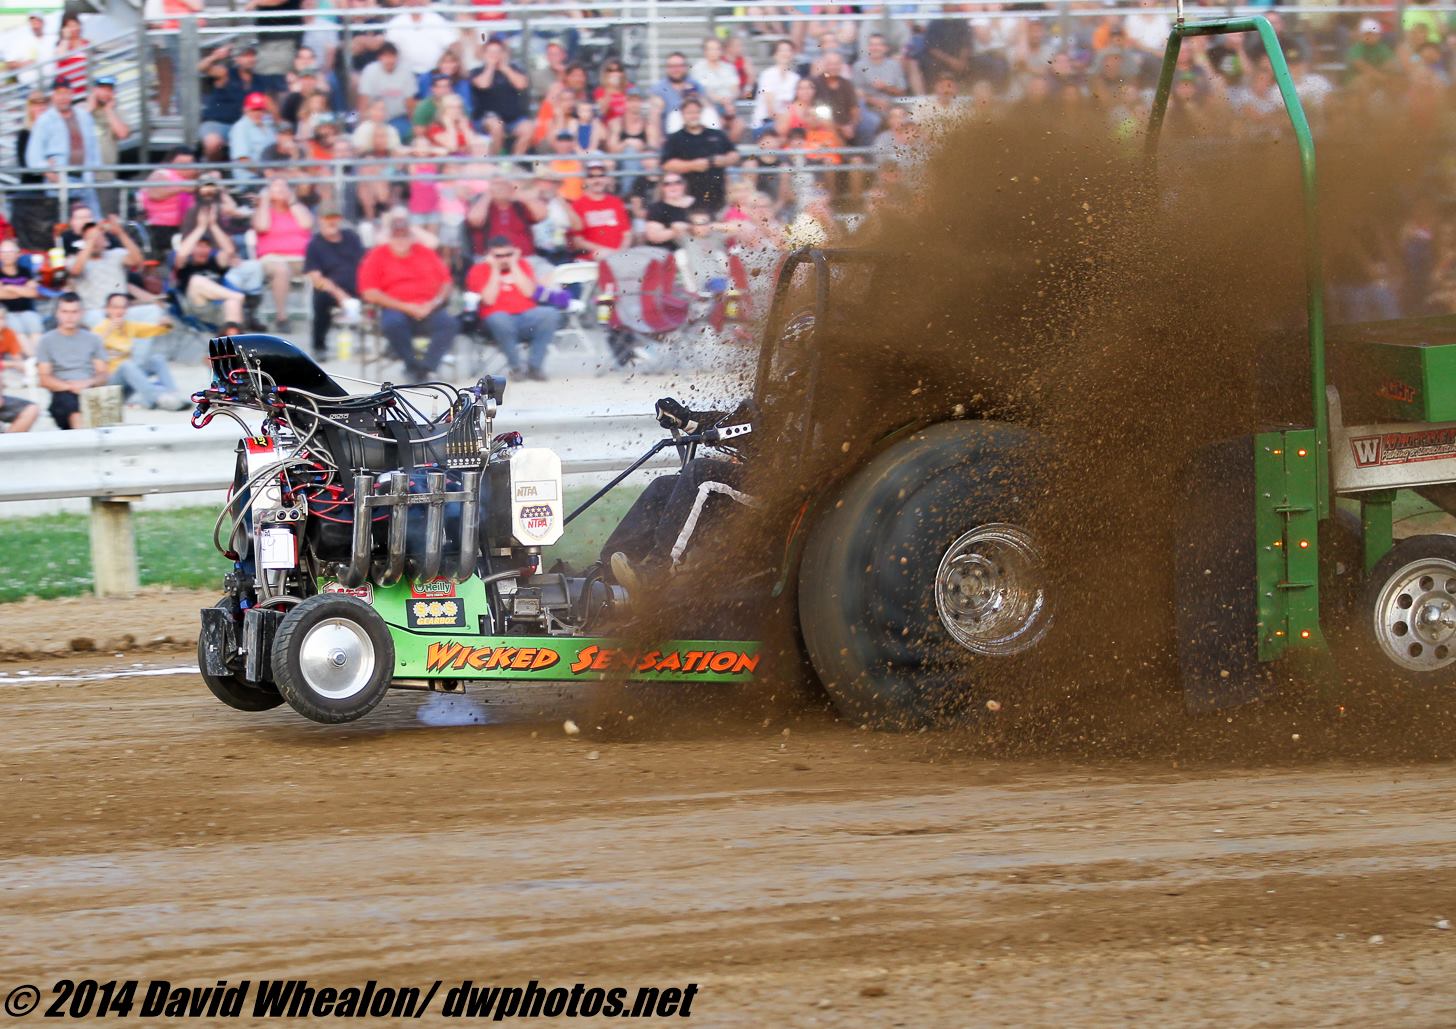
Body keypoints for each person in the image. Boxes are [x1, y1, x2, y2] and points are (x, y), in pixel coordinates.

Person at [602, 396, 755, 591]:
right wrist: (686, 419)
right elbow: (740, 426)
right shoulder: (783, 399)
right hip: (751, 481)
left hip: (774, 491)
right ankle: (607, 575)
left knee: (699, 472)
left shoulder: (799, 408)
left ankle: (658, 570)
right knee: (663, 487)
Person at [356, 210, 457, 378]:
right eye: (396, 236)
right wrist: (406, 307)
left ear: (411, 237)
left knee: (449, 323)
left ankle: (426, 368)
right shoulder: (376, 256)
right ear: (390, 238)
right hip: (396, 308)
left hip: (428, 307)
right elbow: (369, 292)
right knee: (392, 324)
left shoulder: (425, 252)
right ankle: (411, 365)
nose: (401, 240)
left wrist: (433, 303)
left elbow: (446, 282)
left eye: (404, 236)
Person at [465, 236, 565, 380]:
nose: (504, 259)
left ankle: (534, 367)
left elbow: (530, 293)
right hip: (496, 320)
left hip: (526, 317)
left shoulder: (522, 265)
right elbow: (488, 299)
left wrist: (514, 266)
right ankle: (516, 367)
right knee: (499, 319)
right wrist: (494, 269)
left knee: (549, 314)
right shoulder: (479, 270)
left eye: (508, 254)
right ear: (489, 255)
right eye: (498, 256)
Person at [96, 292, 188, 411]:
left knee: (157, 359)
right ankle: (158, 398)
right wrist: (108, 331)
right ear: (107, 309)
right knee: (126, 365)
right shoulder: (99, 329)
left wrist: (166, 324)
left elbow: (157, 330)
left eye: (123, 307)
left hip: (129, 382)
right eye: (115, 307)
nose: (119, 311)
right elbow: (91, 350)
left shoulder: (129, 326)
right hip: (110, 385)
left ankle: (173, 396)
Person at [25, 80, 101, 215]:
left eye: (66, 93)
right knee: (61, 226)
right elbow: (33, 156)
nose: (63, 98)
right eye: (59, 93)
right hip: (59, 182)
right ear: (53, 96)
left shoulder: (84, 116)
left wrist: (95, 167)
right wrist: (48, 172)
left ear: (71, 94)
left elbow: (93, 145)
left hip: (86, 180)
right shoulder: (45, 120)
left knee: (91, 222)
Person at [36, 292, 107, 429]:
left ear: (81, 313)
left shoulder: (93, 339)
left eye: (74, 312)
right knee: (73, 407)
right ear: (57, 313)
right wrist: (72, 387)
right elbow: (44, 378)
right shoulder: (46, 341)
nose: (69, 316)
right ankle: (83, 444)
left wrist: (88, 383)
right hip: (62, 392)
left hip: (90, 391)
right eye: (65, 311)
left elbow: (103, 374)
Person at [303, 201, 364, 358]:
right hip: (331, 288)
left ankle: (391, 345)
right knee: (321, 300)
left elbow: (365, 262)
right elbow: (316, 278)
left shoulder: (351, 237)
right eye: (327, 218)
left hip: (359, 285)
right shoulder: (314, 245)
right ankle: (319, 345)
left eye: (335, 217)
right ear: (320, 220)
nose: (332, 221)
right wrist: (340, 295)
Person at [251, 178, 313, 328]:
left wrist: (292, 202)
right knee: (281, 269)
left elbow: (307, 224)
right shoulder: (263, 210)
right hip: (272, 258)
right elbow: (262, 226)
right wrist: (265, 202)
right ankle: (282, 317)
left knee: (323, 263)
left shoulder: (298, 209)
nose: (280, 192)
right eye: (276, 188)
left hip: (301, 258)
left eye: (283, 188)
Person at [69, 215, 155, 322]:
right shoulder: (75, 260)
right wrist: (91, 240)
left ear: (106, 241)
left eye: (98, 237)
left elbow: (138, 261)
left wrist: (120, 233)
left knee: (153, 311)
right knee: (95, 317)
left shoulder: (116, 254)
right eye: (89, 237)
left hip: (122, 311)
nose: (95, 240)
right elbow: (75, 271)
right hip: (96, 312)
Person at [661, 97, 738, 211]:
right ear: (682, 114)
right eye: (689, 112)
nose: (693, 115)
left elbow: (734, 154)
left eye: (696, 112)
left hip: (718, 192)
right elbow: (666, 164)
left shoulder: (717, 134)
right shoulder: (675, 138)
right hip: (687, 196)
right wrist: (692, 165)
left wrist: (724, 160)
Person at [175, 215, 248, 324]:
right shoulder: (185, 265)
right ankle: (239, 297)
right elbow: (181, 254)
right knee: (196, 280)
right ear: (191, 248)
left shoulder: (214, 263)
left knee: (232, 303)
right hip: (196, 307)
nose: (203, 250)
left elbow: (229, 251)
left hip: (215, 310)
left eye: (206, 246)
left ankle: (234, 336)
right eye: (199, 246)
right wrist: (200, 227)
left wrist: (213, 226)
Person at [470, 36, 532, 154]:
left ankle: (514, 162)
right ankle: (496, 161)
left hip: (513, 118)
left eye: (498, 51)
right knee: (497, 126)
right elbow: (483, 84)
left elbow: (521, 85)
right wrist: (491, 66)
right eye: (491, 52)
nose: (495, 55)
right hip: (487, 118)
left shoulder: (514, 69)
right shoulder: (477, 71)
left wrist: (505, 68)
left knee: (528, 128)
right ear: (484, 54)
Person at [464, 172, 544, 259]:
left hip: (525, 258)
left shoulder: (520, 205)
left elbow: (541, 215)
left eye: (504, 185)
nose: (501, 188)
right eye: (497, 185)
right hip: (490, 260)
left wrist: (517, 191)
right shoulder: (483, 205)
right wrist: (488, 194)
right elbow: (474, 221)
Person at [140, 150, 196, 260]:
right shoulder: (162, 173)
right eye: (181, 163)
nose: (185, 167)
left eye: (189, 163)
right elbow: (154, 193)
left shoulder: (195, 178)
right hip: (162, 227)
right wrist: (181, 188)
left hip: (187, 226)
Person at [570, 160, 630, 260]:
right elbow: (577, 241)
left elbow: (627, 234)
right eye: (591, 177)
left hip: (619, 256)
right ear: (585, 180)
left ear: (607, 179)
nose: (597, 180)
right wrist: (608, 252)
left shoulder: (616, 202)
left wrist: (620, 252)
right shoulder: (577, 205)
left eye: (601, 176)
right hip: (591, 257)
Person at [358, 42, 417, 140]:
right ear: (379, 57)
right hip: (374, 118)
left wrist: (414, 125)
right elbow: (363, 101)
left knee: (406, 133)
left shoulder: (406, 72)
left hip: (398, 118)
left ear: (397, 57)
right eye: (386, 56)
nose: (389, 60)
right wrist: (361, 124)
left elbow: (410, 103)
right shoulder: (369, 70)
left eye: (392, 56)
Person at [0, 306, 39, 433]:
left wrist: (25, 367)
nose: (1, 322)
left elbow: (17, 358)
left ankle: (7, 446)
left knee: (31, 409)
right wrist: (11, 364)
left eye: (3, 318)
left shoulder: (8, 333)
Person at [0, 239, 44, 350]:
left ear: (17, 254)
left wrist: (9, 287)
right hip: (7, 313)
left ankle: (37, 361)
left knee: (35, 327)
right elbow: (1, 294)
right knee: (18, 330)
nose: (6, 255)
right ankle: (33, 360)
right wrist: (23, 290)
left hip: (27, 311)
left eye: (10, 251)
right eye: (3, 252)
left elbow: (33, 293)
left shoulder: (25, 271)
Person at [752, 40, 801, 135]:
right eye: (782, 50)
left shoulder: (796, 78)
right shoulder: (767, 75)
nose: (785, 53)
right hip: (766, 122)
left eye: (788, 50)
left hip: (789, 123)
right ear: (775, 54)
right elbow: (771, 110)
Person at [229, 92, 277, 180]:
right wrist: (264, 172)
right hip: (251, 178)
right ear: (246, 110)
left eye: (260, 109)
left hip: (271, 175)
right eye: (254, 109)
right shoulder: (241, 127)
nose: (258, 113)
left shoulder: (268, 125)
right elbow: (243, 160)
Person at [644, 173, 697, 249]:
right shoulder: (657, 208)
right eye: (667, 184)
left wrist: (688, 228)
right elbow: (653, 237)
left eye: (677, 182)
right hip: (667, 250)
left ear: (684, 185)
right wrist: (675, 231)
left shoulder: (698, 203)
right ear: (661, 188)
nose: (673, 186)